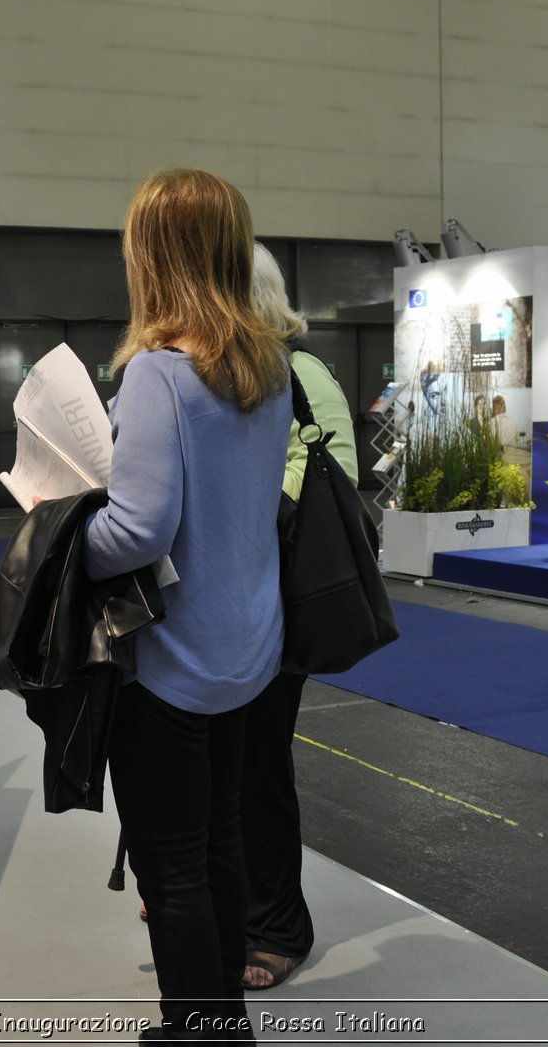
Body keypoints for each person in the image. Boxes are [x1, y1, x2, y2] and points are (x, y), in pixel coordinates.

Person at [84, 168, 291, 1043]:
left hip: (169, 664)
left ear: (154, 255)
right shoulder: (270, 367)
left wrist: (58, 539)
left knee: (170, 871)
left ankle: (198, 1031)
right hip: (247, 651)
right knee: (221, 848)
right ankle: (223, 1025)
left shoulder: (158, 375)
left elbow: (135, 532)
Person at [236, 244, 358, 992]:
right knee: (241, 760)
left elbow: (316, 480)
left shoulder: (296, 374)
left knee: (257, 764)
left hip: (282, 598)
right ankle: (236, 902)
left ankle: (280, 927)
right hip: (252, 597)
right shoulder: (260, 373)